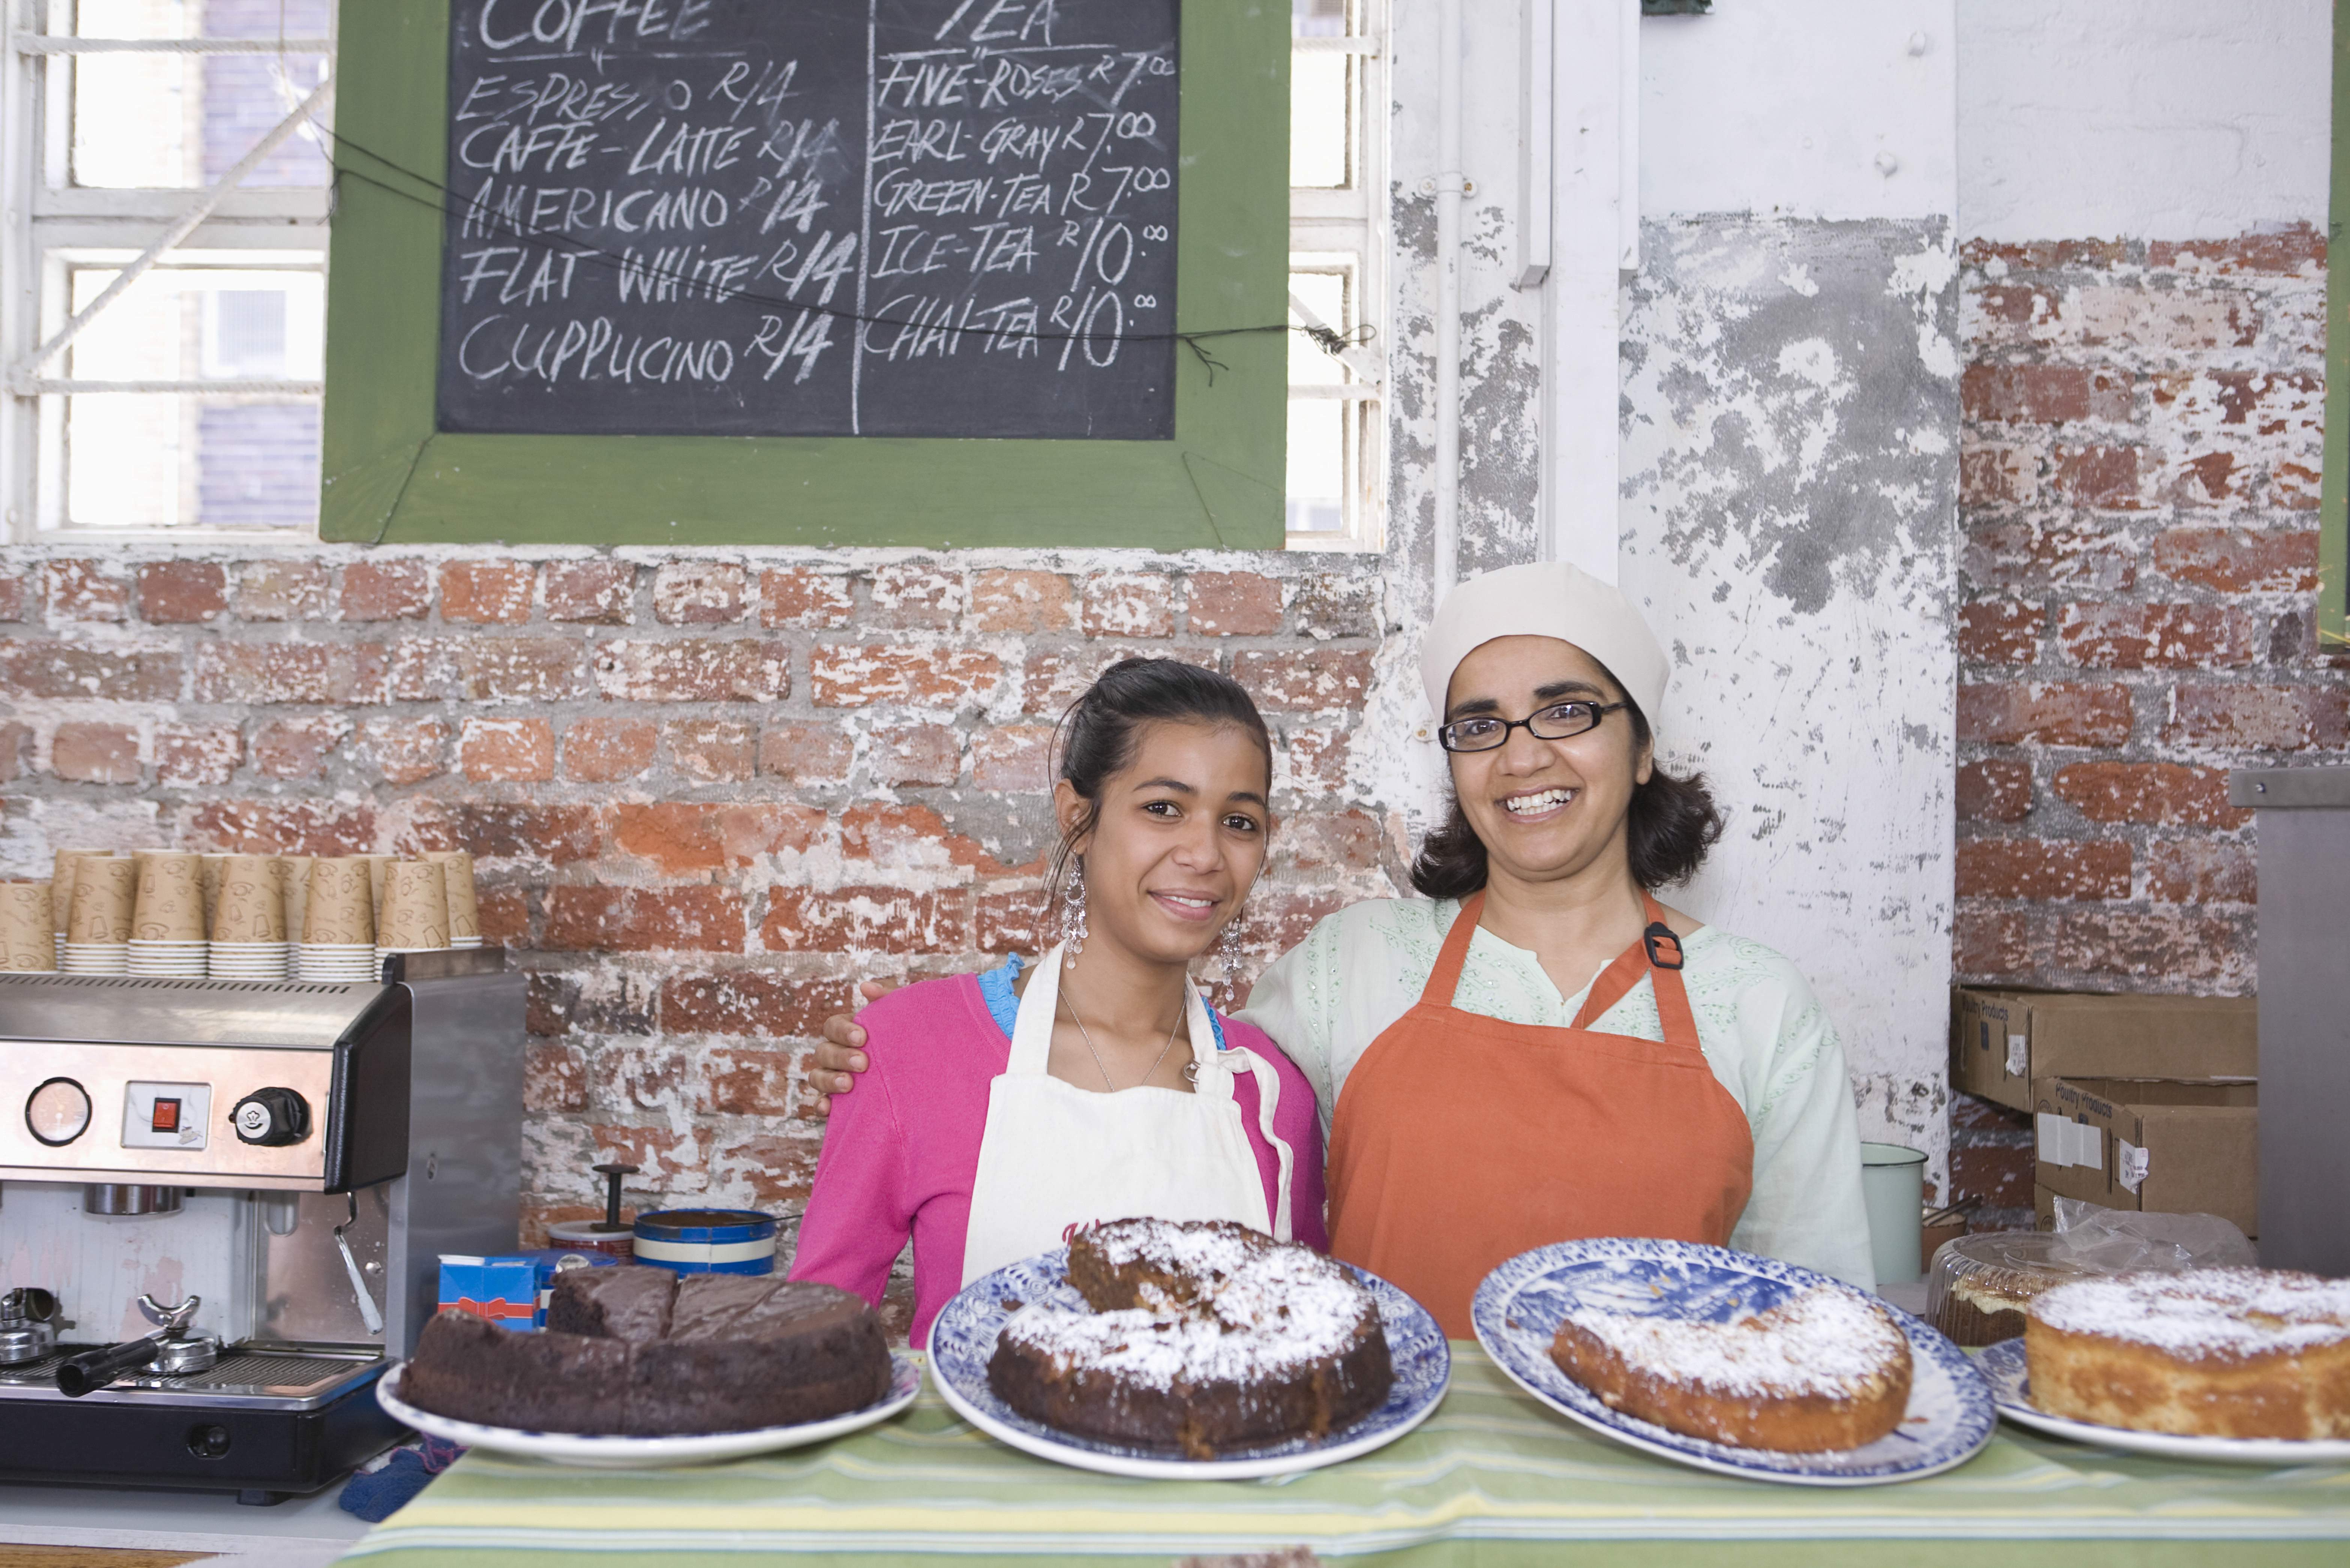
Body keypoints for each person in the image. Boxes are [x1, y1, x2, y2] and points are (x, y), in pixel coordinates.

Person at [809, 563, 1873, 1335]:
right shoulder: (1353, 966)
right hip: (1382, 1493)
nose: (1523, 753)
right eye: (1480, 723)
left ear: (1641, 747)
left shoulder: (1759, 1005)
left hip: (1659, 1513)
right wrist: (892, 1064)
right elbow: (1168, 1078)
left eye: (1568, 711)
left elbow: (1824, 1323)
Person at [787, 658, 1326, 1347]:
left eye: (1239, 822)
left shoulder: (1272, 1090)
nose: (1204, 853)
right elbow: (812, 1339)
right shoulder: (906, 1048)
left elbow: (1299, 1341)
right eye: (1163, 808)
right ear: (1079, 816)